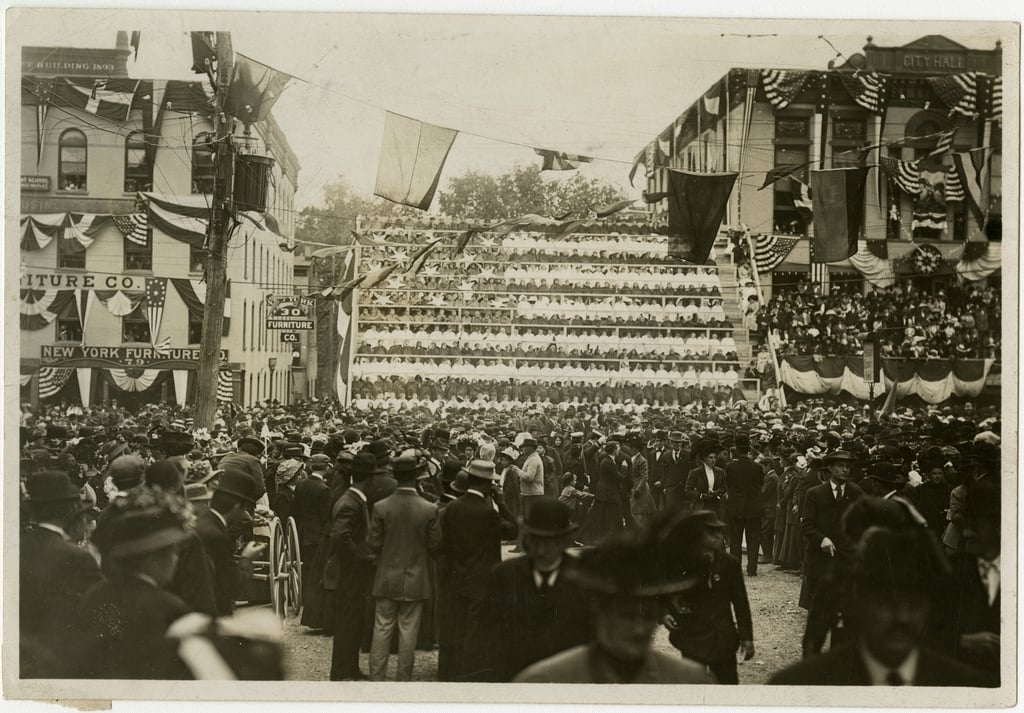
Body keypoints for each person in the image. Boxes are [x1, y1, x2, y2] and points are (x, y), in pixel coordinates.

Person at [770, 526, 988, 686]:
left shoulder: (965, 686)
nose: (902, 617)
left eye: (914, 605)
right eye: (888, 604)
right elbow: (813, 637)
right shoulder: (797, 683)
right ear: (860, 602)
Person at [513, 534, 714, 684]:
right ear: (599, 613)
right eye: (626, 616)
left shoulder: (690, 681)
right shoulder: (545, 681)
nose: (639, 629)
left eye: (648, 617)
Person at [72, 486, 193, 679]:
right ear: (153, 558)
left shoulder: (94, 596)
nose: (176, 559)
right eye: (172, 552)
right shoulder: (167, 607)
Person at [474, 496, 592, 681]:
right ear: (527, 538)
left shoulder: (584, 579)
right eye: (537, 539)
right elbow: (485, 638)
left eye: (551, 541)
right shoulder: (503, 576)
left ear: (564, 540)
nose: (543, 549)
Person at [438, 459, 518, 681]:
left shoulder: (452, 507)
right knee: (476, 631)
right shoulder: (487, 512)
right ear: (486, 484)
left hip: (456, 575)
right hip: (481, 577)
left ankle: (449, 672)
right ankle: (470, 672)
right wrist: (501, 502)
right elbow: (512, 531)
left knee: (455, 626)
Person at [20, 469, 104, 678]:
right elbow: (102, 610)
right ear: (71, 510)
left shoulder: (17, 546)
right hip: (62, 659)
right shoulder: (77, 557)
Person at [367, 455, 443, 681]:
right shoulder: (429, 509)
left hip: (386, 575)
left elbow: (373, 543)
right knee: (409, 631)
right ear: (416, 476)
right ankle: (403, 677)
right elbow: (435, 546)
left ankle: (377, 676)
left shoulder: (381, 507)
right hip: (416, 576)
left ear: (394, 476)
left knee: (381, 627)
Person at [659, 511, 755, 684]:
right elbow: (664, 593)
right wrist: (664, 613)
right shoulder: (681, 563)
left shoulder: (730, 564)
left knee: (728, 686)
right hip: (692, 639)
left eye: (720, 531)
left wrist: (747, 637)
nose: (719, 536)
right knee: (693, 688)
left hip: (723, 640)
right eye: (711, 532)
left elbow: (741, 602)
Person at [934, 480, 1001, 686]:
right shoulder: (950, 571)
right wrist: (961, 641)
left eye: (976, 528)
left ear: (1000, 527)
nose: (966, 534)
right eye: (966, 526)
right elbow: (930, 631)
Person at [799, 450, 864, 627]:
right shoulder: (815, 493)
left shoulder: (857, 493)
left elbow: (861, 526)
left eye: (848, 466)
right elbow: (806, 525)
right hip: (819, 557)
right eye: (841, 466)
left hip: (846, 557)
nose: (845, 470)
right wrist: (822, 539)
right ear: (830, 468)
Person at [328, 452, 377, 680]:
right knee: (348, 619)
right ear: (368, 478)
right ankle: (341, 671)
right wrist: (359, 559)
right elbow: (341, 536)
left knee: (353, 619)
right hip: (350, 572)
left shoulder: (353, 498)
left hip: (352, 570)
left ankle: (350, 667)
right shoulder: (351, 502)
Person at [195, 469, 265, 616]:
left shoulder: (203, 521)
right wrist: (246, 559)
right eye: (245, 509)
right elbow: (233, 587)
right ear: (236, 507)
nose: (246, 514)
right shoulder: (217, 536)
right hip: (215, 612)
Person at [724, 435, 765, 576]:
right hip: (754, 508)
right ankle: (752, 569)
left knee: (735, 540)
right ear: (748, 449)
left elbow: (728, 484)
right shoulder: (758, 467)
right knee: (753, 539)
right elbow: (760, 484)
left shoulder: (730, 467)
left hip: (735, 508)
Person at [577, 441, 625, 545]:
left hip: (605, 493)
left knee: (600, 516)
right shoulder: (608, 462)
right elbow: (619, 477)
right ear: (613, 450)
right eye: (617, 448)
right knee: (605, 516)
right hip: (608, 493)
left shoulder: (607, 460)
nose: (619, 450)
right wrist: (625, 469)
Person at [685, 440, 727, 528]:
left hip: (716, 505)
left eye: (715, 457)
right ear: (704, 458)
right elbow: (688, 490)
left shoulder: (720, 472)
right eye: (710, 457)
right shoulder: (695, 473)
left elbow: (724, 487)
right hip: (701, 505)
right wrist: (701, 495)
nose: (713, 460)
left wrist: (718, 492)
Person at [660, 431, 690, 512]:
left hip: (684, 488)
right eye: (675, 442)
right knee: (671, 511)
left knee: (684, 511)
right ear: (671, 442)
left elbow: (691, 472)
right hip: (671, 488)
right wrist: (665, 487)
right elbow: (664, 473)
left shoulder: (687, 455)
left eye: (679, 442)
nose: (678, 444)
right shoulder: (666, 456)